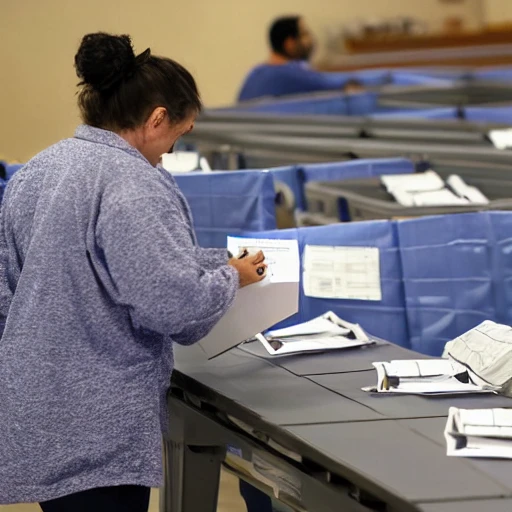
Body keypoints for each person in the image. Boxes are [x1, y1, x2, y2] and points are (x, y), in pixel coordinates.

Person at [0, 32, 267, 512]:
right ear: (157, 118)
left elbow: (35, 283)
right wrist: (234, 279)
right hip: (99, 420)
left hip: (39, 407)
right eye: (178, 135)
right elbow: (172, 306)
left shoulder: (38, 171)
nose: (170, 151)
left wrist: (215, 264)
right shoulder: (132, 182)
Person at [238, 16, 359, 102]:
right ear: (290, 43)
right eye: (305, 34)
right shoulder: (291, 74)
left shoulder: (255, 73)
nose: (311, 39)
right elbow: (344, 86)